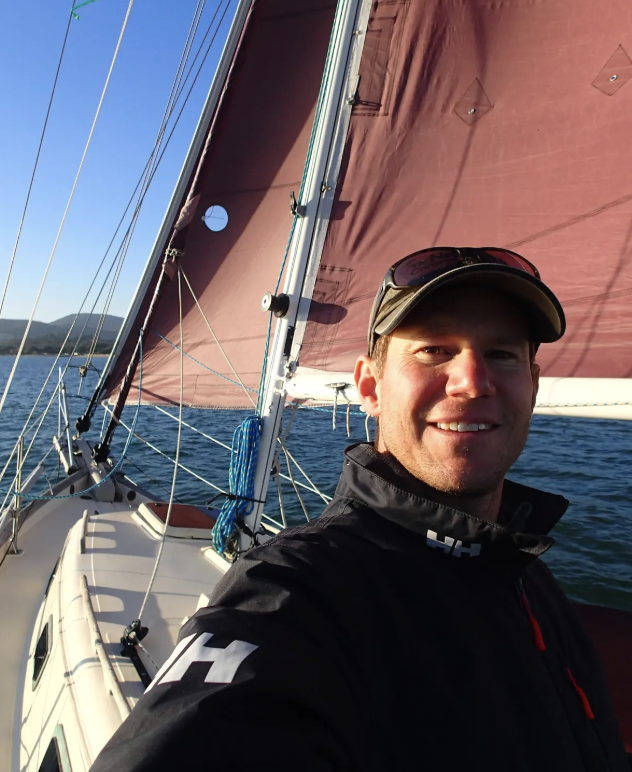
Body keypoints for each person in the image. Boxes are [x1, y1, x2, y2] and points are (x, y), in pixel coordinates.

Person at [91, 247, 628, 772]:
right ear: (370, 386)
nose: (474, 380)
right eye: (434, 350)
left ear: (531, 386)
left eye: (502, 354)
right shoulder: (294, 595)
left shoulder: (524, 575)